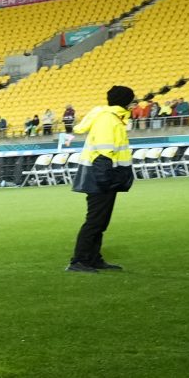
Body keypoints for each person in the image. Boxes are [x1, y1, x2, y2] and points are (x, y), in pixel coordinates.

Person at [67, 84, 135, 273]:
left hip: (103, 174)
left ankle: (92, 258)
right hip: (100, 175)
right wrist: (108, 178)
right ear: (126, 101)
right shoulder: (109, 119)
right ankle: (79, 261)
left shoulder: (113, 117)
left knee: (100, 221)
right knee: (95, 221)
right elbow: (104, 150)